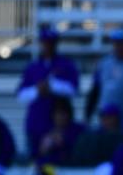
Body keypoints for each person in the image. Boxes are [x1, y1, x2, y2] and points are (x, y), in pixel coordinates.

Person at [16, 28, 79, 158]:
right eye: (45, 42)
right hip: (36, 123)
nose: (48, 46)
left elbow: (73, 89)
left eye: (51, 42)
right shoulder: (33, 67)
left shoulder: (66, 64)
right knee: (35, 160)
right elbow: (21, 95)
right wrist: (37, 90)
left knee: (60, 159)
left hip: (59, 125)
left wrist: (52, 86)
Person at [36, 97, 85, 165]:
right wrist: (45, 147)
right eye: (58, 113)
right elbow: (41, 153)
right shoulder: (47, 130)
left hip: (74, 167)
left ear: (69, 114)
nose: (60, 117)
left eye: (63, 113)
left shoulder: (78, 129)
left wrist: (64, 140)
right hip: (51, 168)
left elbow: (81, 152)